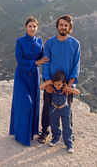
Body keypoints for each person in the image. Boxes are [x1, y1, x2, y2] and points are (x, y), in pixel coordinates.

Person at [38, 14, 81, 144]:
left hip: (66, 84)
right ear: (57, 26)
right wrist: (47, 84)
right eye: (61, 25)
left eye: (66, 25)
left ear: (69, 27)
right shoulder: (50, 43)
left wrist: (69, 86)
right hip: (51, 83)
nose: (63, 27)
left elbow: (76, 65)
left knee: (67, 109)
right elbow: (45, 63)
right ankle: (45, 131)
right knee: (47, 108)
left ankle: (69, 133)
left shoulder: (75, 44)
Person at [9, 16, 49, 146]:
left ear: (37, 28)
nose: (32, 28)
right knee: (25, 103)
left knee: (34, 104)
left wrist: (50, 45)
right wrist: (36, 62)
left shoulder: (39, 40)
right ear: (26, 27)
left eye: (34, 26)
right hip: (21, 75)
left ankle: (30, 132)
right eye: (30, 26)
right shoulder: (19, 41)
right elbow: (19, 60)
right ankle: (21, 135)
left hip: (33, 76)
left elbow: (44, 56)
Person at [39, 71, 80, 153]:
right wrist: (49, 82)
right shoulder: (52, 89)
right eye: (55, 84)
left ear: (63, 83)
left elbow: (78, 92)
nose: (57, 86)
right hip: (54, 109)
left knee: (67, 126)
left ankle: (69, 144)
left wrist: (68, 88)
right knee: (54, 125)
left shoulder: (65, 90)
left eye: (59, 84)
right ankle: (55, 138)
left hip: (64, 109)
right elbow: (40, 87)